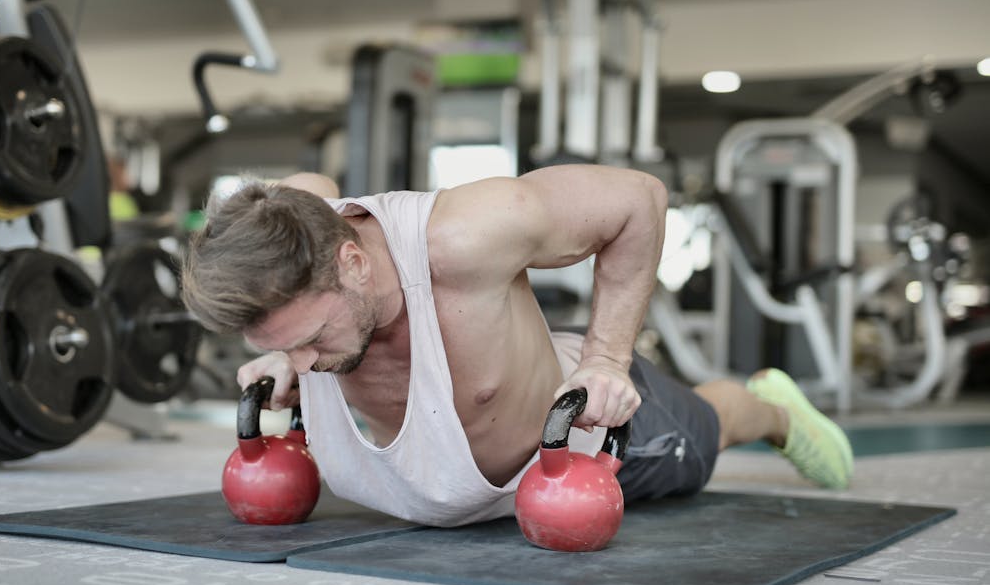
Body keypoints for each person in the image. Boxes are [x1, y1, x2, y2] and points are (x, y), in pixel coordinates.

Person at [182, 165, 853, 527]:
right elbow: (305, 186)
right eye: (284, 347)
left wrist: (606, 361)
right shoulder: (298, 231)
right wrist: (286, 349)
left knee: (705, 432)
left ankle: (772, 407)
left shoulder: (467, 234)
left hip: (567, 442)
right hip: (446, 477)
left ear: (353, 263)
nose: (303, 365)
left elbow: (638, 200)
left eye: (311, 339)